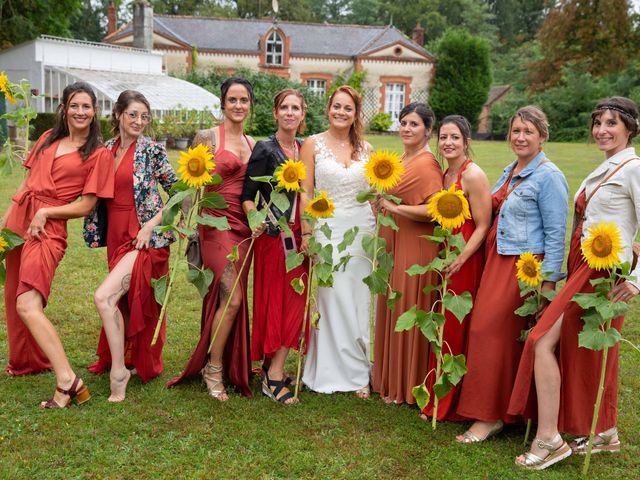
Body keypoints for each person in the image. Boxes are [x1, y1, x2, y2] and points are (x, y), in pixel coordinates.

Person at [509, 97, 640, 470]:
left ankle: (550, 440)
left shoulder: (633, 168)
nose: (602, 130)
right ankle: (605, 433)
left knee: (540, 340)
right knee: (587, 351)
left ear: (629, 128)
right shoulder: (607, 167)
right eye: (598, 123)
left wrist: (636, 280)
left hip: (602, 272)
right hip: (584, 265)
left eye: (612, 123)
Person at [455, 106, 569, 441]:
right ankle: (499, 411)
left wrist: (546, 284)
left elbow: (555, 234)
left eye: (528, 132)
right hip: (498, 260)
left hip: (523, 268)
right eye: (516, 131)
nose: (520, 137)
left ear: (542, 136)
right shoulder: (510, 170)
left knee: (489, 332)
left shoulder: (549, 176)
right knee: (492, 334)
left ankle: (491, 416)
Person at [1, 82, 114, 407]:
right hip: (19, 220)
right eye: (74, 105)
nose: (80, 112)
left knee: (28, 303)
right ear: (64, 109)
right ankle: (27, 361)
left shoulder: (97, 153)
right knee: (14, 297)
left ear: (95, 112)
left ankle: (67, 380)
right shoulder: (47, 138)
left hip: (48, 229)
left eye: (86, 106)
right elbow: (25, 183)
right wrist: (6, 223)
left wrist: (47, 212)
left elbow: (87, 205)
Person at [85, 90, 178, 402]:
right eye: (133, 114)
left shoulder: (152, 150)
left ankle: (122, 372)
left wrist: (152, 225)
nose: (139, 121)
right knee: (122, 301)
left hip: (144, 239)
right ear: (118, 115)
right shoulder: (105, 150)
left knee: (108, 297)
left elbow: (180, 193)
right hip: (116, 234)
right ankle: (127, 359)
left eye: (144, 116)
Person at [168, 77, 255, 400]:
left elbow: (254, 191)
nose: (237, 105)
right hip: (213, 223)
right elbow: (191, 182)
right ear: (222, 103)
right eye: (232, 99)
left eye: (243, 100)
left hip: (244, 228)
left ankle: (222, 360)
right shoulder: (207, 137)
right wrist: (184, 221)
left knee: (228, 298)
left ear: (250, 104)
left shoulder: (253, 144)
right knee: (231, 298)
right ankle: (213, 367)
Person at [299, 85, 375, 398]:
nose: (341, 112)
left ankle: (359, 373)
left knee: (358, 299)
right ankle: (329, 369)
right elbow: (305, 191)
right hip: (327, 227)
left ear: (356, 114)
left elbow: (372, 193)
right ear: (328, 108)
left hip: (362, 229)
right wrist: (307, 231)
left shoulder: (367, 149)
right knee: (331, 297)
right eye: (336, 106)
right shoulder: (312, 144)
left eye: (348, 108)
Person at [418, 115, 491, 420]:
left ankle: (448, 403)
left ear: (466, 142)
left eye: (455, 138)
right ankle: (438, 392)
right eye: (444, 137)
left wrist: (461, 259)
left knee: (456, 326)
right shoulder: (446, 173)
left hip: (465, 258)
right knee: (441, 324)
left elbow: (483, 225)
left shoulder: (472, 175)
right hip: (445, 255)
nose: (448, 143)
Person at [372, 102, 444, 405]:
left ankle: (408, 382)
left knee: (407, 303)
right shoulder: (402, 157)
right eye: (403, 123)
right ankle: (388, 375)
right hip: (395, 238)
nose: (406, 128)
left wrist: (394, 207)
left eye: (414, 124)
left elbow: (435, 209)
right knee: (392, 301)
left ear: (428, 130)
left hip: (415, 243)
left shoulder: (427, 164)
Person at [241, 88, 308, 405]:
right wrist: (254, 218)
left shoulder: (305, 149)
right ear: (275, 113)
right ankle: (274, 377)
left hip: (300, 234)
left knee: (294, 301)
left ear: (303, 114)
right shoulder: (265, 149)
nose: (290, 113)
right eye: (285, 107)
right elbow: (247, 194)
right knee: (274, 301)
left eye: (296, 108)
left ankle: (273, 364)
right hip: (272, 236)